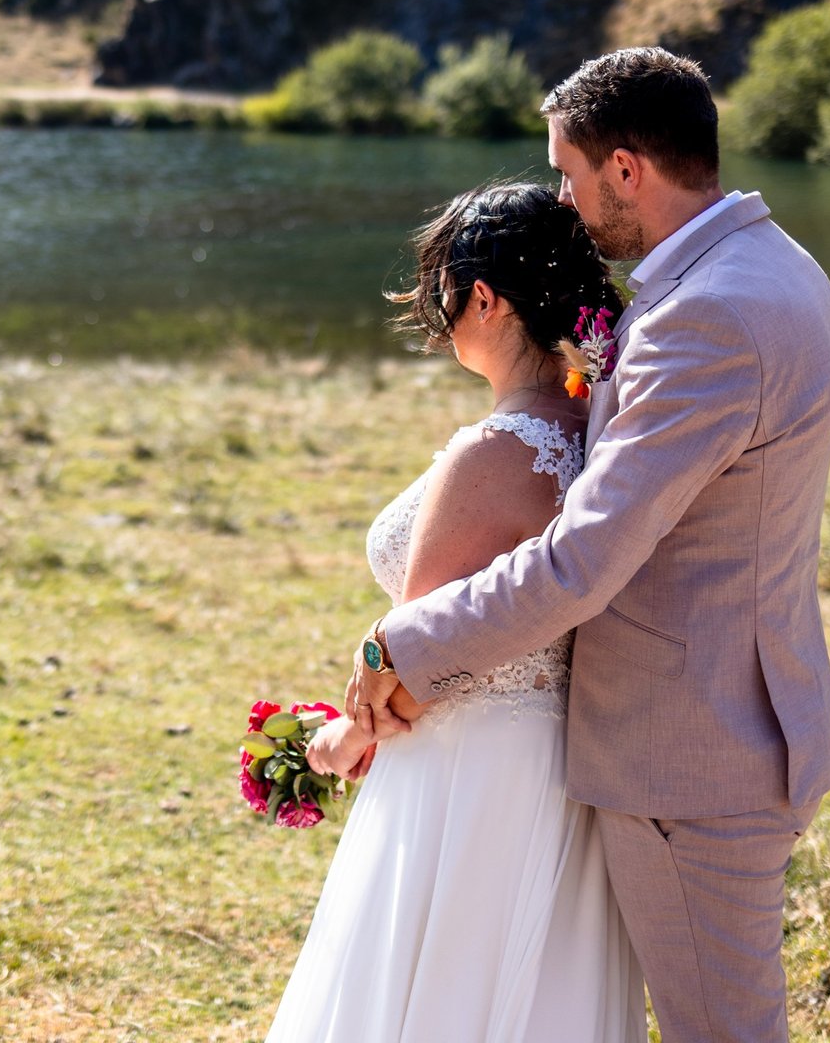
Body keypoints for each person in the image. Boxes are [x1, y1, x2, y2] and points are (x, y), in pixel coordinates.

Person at [341, 48, 830, 1042]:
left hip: (693, 750)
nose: (564, 204)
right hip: (732, 717)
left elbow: (583, 557)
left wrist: (401, 646)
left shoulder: (710, 314)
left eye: (568, 174)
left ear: (628, 168)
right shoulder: (771, 264)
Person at [263, 182, 647, 1043]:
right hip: (562, 769)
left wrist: (339, 738)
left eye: (443, 291)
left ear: (483, 296)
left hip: (467, 776)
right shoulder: (607, 432)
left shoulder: (496, 451)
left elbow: (418, 655)